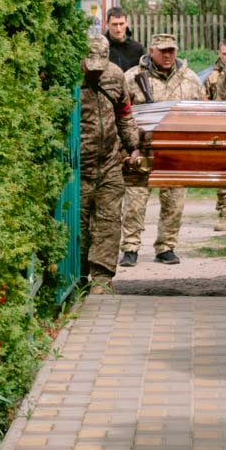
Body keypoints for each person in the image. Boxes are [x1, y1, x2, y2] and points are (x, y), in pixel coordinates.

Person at [120, 33, 205, 265]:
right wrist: (129, 148)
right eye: (163, 51)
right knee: (134, 202)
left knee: (174, 201)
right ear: (151, 50)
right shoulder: (132, 78)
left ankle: (166, 246)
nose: (168, 55)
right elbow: (122, 115)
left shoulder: (190, 79)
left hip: (175, 152)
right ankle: (130, 247)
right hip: (141, 149)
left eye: (172, 50)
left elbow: (201, 114)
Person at [80, 32, 141, 289]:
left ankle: (102, 280)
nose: (95, 72)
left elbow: (124, 114)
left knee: (108, 223)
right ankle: (78, 276)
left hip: (109, 162)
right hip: (78, 167)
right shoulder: (68, 78)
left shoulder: (115, 76)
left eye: (99, 67)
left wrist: (133, 147)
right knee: (79, 225)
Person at [203, 38, 226, 230]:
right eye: (224, 54)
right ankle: (225, 213)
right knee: (221, 172)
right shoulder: (212, 77)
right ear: (219, 53)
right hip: (220, 127)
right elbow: (206, 102)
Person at [105, 7, 145, 74]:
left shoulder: (137, 49)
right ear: (107, 24)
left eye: (121, 24)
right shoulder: (100, 49)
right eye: (114, 24)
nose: (118, 29)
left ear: (126, 23)